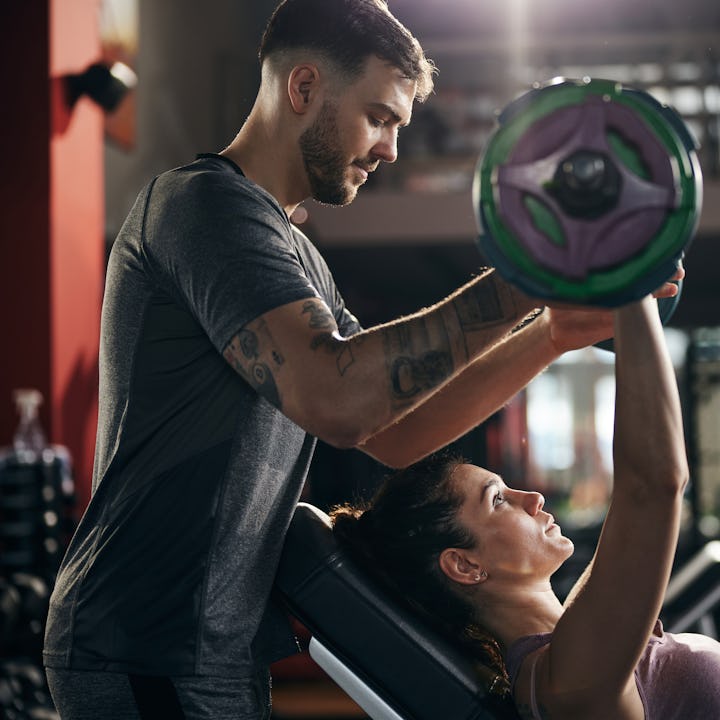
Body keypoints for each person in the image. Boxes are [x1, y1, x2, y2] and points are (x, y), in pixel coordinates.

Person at [42, 0, 679, 718]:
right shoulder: (205, 208)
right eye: (380, 117)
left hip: (210, 646)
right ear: (303, 87)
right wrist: (527, 274)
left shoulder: (294, 253)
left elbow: (391, 431)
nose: (390, 150)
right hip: (144, 641)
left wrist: (552, 332)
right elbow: (337, 400)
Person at [332, 295, 720, 720]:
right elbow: (652, 485)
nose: (532, 498)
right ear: (463, 564)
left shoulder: (572, 642)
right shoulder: (567, 679)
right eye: (498, 500)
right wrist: (632, 292)